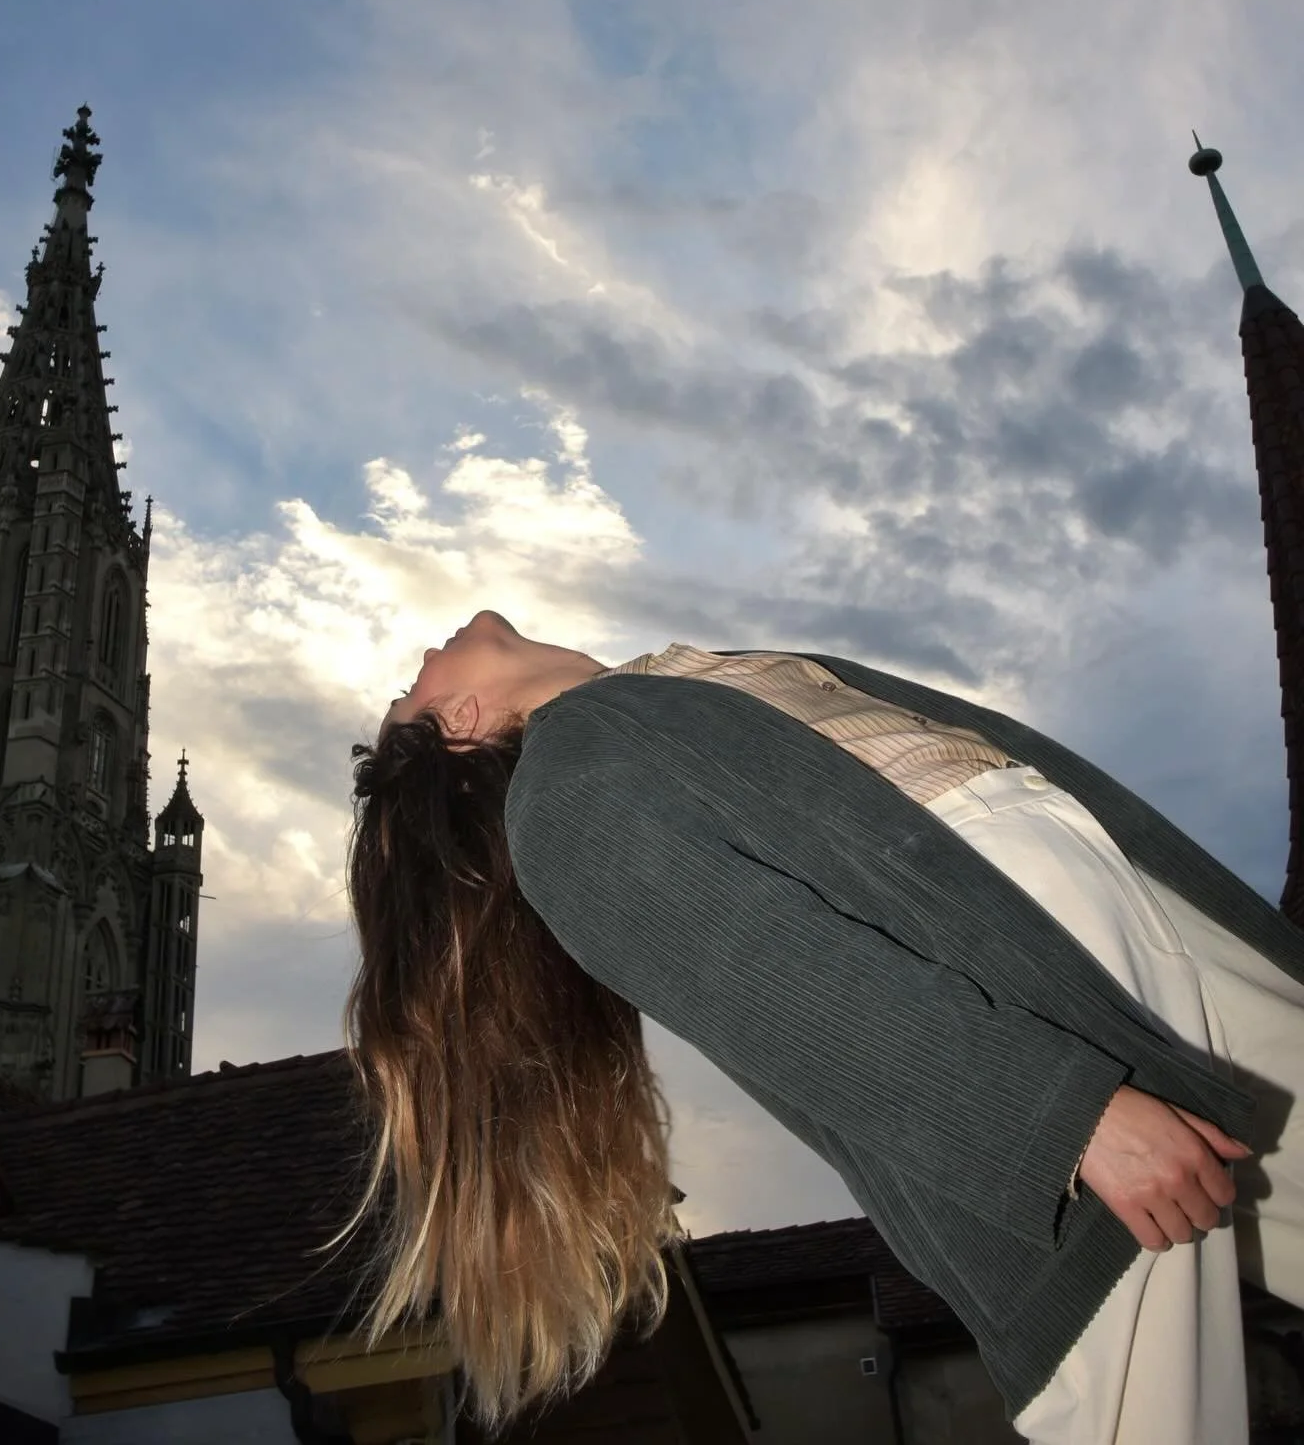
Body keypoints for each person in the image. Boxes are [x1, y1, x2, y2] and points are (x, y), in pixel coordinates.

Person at [340, 611, 1304, 1442]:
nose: (419, 654)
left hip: (1119, 935)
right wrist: (1061, 1122)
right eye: (406, 690)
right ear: (462, 725)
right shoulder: (565, 792)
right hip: (1040, 1061)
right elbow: (758, 968)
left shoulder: (658, 698)